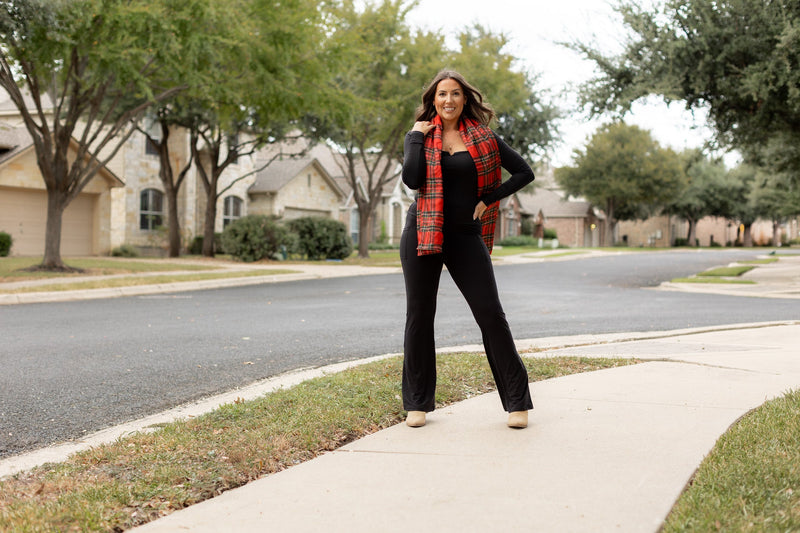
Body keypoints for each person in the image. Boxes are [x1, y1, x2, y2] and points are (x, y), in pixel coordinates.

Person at [400, 69, 535, 429]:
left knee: (491, 314)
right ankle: (417, 404)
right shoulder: (420, 135)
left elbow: (523, 172)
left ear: (465, 99)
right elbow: (412, 179)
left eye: (455, 94)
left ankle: (517, 403)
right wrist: (415, 135)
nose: (448, 100)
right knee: (419, 315)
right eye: (442, 94)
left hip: (464, 234)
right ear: (433, 100)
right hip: (422, 231)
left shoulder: (483, 137)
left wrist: (489, 200)